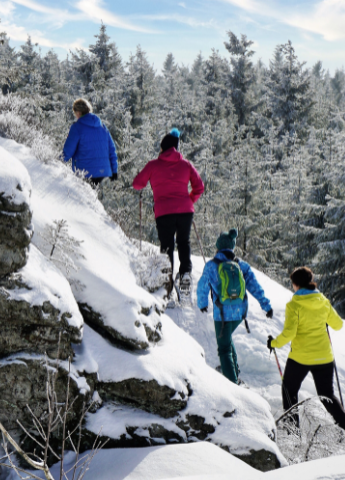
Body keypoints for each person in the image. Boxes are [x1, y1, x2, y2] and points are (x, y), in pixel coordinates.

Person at [267, 267, 345, 436]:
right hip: (324, 357)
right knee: (327, 395)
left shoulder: (294, 305)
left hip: (301, 357)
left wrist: (274, 343)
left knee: (289, 391)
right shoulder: (323, 301)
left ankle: (293, 433)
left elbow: (290, 333)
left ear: (296, 284)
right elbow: (338, 324)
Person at [133, 128, 204, 295]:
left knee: (167, 246)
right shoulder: (186, 164)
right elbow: (199, 187)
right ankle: (185, 274)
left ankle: (167, 284)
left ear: (162, 148)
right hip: (185, 211)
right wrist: (189, 200)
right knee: (184, 242)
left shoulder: (153, 165)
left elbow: (137, 184)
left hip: (164, 212)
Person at [197, 228, 273, 384]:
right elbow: (255, 287)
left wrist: (202, 304)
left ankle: (233, 384)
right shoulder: (242, 265)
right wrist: (266, 306)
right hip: (240, 313)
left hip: (222, 314)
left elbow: (202, 286)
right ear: (232, 247)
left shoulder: (212, 265)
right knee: (227, 339)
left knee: (223, 348)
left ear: (218, 247)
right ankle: (233, 369)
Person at [63, 98, 118, 187]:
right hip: (103, 172)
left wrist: (57, 162)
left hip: (85, 172)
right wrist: (114, 170)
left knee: (82, 198)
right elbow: (112, 150)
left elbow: (68, 151)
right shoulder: (102, 126)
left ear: (78, 112)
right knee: (94, 198)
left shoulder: (77, 127)